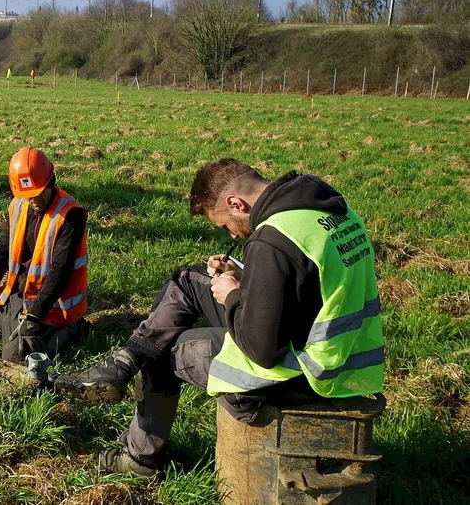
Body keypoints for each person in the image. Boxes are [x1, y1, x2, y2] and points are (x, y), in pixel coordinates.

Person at [56, 159, 384, 476]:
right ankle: (123, 363)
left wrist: (233, 296)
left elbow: (262, 350)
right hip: (340, 351)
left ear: (236, 203)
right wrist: (247, 276)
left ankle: (139, 459)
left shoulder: (272, 239)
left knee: (163, 352)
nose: (230, 235)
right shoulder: (324, 210)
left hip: (304, 373)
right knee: (188, 280)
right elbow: (308, 286)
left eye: (224, 224)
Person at [0, 147, 90, 363]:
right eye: (28, 196)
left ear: (50, 181)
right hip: (19, 298)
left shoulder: (70, 215)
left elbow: (61, 272)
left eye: (39, 193)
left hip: (53, 308)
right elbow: (1, 251)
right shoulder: (18, 206)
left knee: (13, 356)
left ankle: (73, 330)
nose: (34, 200)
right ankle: (15, 329)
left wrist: (34, 317)